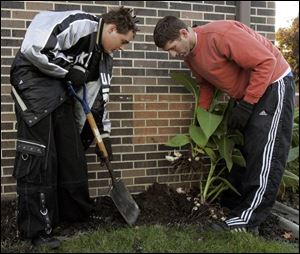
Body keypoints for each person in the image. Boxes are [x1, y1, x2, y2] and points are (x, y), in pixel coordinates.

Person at [10, 7, 139, 248]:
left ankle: (73, 215)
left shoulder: (103, 59)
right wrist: (69, 69)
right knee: (40, 156)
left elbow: (95, 100)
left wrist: (103, 135)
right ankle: (36, 231)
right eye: (122, 41)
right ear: (111, 28)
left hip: (60, 90)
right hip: (32, 82)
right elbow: (33, 47)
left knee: (71, 153)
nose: (122, 48)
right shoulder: (80, 23)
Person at [153, 16, 295, 234]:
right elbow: (206, 85)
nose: (172, 55)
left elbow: (267, 61)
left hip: (273, 85)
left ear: (184, 33)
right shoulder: (190, 55)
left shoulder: (221, 35)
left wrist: (247, 105)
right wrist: (202, 119)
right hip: (249, 96)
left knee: (265, 152)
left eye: (172, 48)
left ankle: (249, 219)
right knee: (242, 150)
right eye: (168, 52)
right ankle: (234, 207)